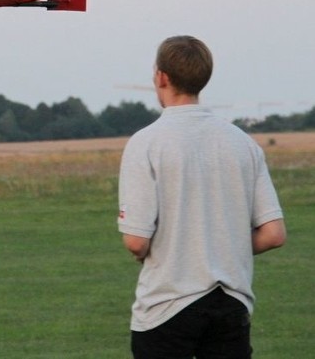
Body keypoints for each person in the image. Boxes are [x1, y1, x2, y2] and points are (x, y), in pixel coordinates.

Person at [117, 35, 286, 358]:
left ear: (161, 77)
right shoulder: (242, 143)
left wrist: (184, 249)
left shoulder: (146, 143)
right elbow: (273, 234)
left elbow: (136, 241)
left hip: (165, 307)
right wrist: (220, 244)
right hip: (231, 304)